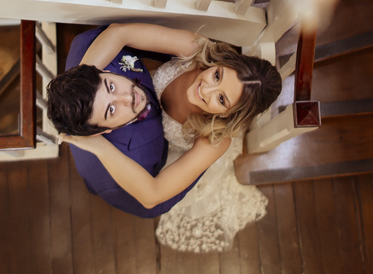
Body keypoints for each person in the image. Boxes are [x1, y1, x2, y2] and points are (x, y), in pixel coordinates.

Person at [52, 23, 281, 252]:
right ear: (219, 63)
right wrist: (83, 88)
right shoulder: (196, 49)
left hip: (166, 153)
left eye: (221, 99)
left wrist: (99, 146)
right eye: (217, 75)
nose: (206, 89)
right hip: (136, 102)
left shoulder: (216, 140)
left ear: (227, 114)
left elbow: (152, 195)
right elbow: (119, 32)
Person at [46, 23, 201, 218]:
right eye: (111, 110)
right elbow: (154, 206)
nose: (128, 97)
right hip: (107, 175)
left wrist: (183, 67)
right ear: (102, 131)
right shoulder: (116, 181)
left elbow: (144, 42)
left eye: (111, 87)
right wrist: (203, 158)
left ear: (103, 72)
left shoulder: (87, 44)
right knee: (92, 184)